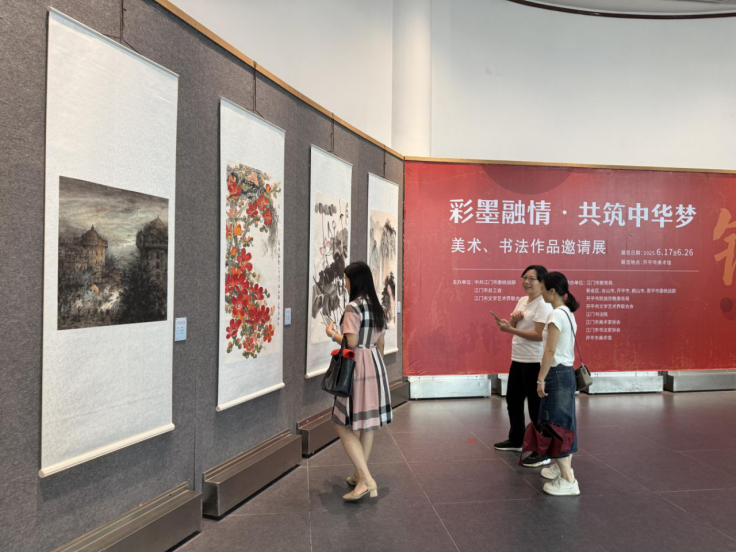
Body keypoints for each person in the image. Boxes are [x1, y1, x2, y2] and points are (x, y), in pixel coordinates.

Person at [326, 261, 392, 502]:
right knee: (367, 423)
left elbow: (351, 342)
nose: (345, 284)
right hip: (375, 364)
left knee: (341, 424)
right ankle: (358, 474)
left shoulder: (353, 307)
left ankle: (365, 479)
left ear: (355, 280)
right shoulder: (377, 306)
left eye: (346, 279)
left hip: (357, 366)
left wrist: (332, 334)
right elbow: (381, 343)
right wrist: (376, 369)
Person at [493, 265, 553, 469]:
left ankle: (541, 450)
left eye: (531, 279)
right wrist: (512, 321)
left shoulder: (543, 304)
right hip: (518, 358)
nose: (526, 282)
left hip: (534, 361)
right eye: (524, 277)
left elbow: (538, 335)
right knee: (513, 400)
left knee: (536, 407)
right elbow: (514, 327)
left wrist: (510, 329)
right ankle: (517, 439)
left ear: (542, 282)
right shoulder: (522, 300)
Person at [529, 271, 581, 496]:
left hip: (556, 374)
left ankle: (568, 480)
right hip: (566, 373)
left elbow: (549, 351)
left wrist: (540, 378)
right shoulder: (568, 313)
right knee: (565, 423)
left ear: (552, 291)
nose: (540, 292)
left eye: (542, 289)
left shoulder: (554, 315)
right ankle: (561, 469)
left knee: (556, 425)